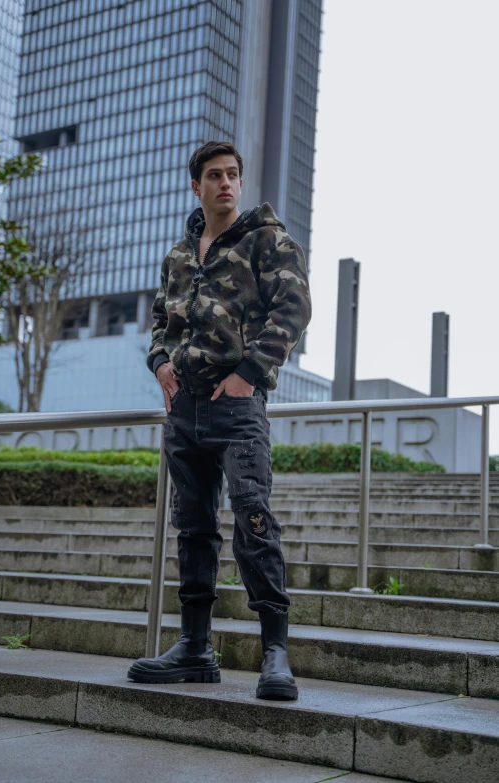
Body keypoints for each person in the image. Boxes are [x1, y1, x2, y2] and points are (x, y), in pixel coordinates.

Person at [127, 141, 312, 700]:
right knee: (194, 527)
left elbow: (294, 307)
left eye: (233, 174)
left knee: (254, 517)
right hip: (184, 411)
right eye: (215, 175)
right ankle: (194, 647)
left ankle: (275, 653)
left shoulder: (267, 240)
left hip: (236, 406)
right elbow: (160, 319)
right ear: (197, 186)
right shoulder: (179, 256)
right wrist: (160, 363)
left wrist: (249, 373)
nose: (226, 183)